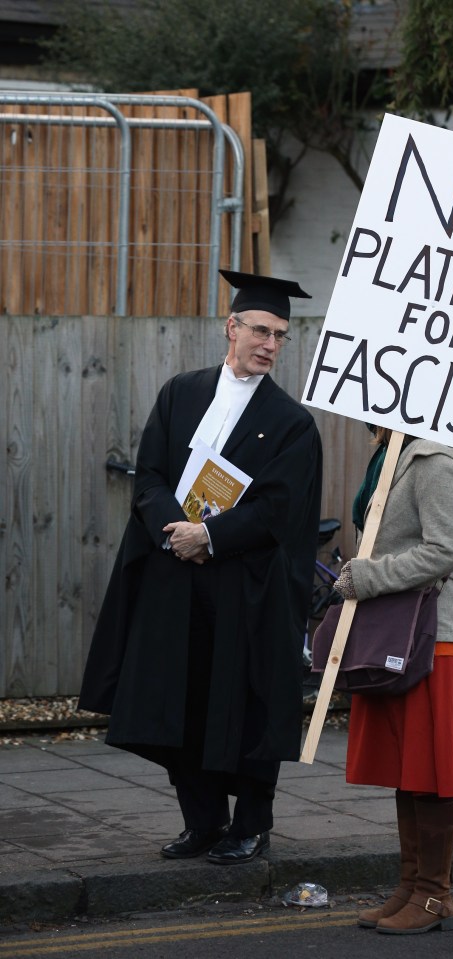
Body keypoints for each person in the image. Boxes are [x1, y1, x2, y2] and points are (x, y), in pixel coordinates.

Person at [78, 270, 323, 865]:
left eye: (281, 336)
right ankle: (202, 820)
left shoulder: (293, 422)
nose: (269, 344)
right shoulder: (180, 393)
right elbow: (151, 475)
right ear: (231, 327)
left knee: (245, 705)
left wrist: (209, 536)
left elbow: (279, 509)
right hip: (175, 579)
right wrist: (176, 532)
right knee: (179, 700)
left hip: (245, 590)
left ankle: (251, 825)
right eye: (260, 330)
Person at [332, 426, 453, 934]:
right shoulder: (394, 455)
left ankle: (434, 895)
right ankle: (412, 886)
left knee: (430, 768)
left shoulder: (434, 462)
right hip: (401, 634)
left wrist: (367, 577)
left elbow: (446, 550)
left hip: (433, 638)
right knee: (410, 767)